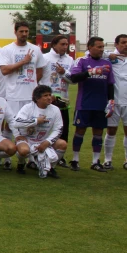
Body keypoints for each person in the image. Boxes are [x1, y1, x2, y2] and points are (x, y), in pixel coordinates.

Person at [0, 21, 47, 173]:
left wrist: (33, 85)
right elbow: (5, 70)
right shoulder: (7, 49)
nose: (24, 34)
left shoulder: (35, 49)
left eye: (26, 31)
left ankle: (27, 159)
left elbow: (39, 71)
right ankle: (6, 158)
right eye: (21, 31)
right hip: (13, 95)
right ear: (15, 32)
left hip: (30, 95)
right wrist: (23, 62)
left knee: (30, 126)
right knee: (11, 125)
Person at [68, 36, 114, 172]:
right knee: (80, 131)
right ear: (90, 47)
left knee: (98, 132)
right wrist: (91, 72)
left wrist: (111, 100)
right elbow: (74, 78)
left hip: (101, 104)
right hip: (84, 104)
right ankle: (75, 160)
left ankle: (95, 161)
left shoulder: (107, 63)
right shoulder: (81, 61)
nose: (101, 49)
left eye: (102, 47)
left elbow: (110, 84)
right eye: (99, 47)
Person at [11, 85, 67, 179]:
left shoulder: (55, 109)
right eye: (45, 95)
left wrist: (47, 142)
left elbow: (59, 129)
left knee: (62, 144)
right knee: (24, 150)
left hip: (43, 139)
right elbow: (17, 122)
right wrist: (36, 121)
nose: (49, 97)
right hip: (27, 139)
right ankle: (21, 163)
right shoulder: (28, 108)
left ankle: (51, 168)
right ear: (37, 98)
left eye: (49, 95)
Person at [39, 35, 74, 167]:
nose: (65, 47)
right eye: (62, 44)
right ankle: (43, 153)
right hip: (48, 99)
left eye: (66, 44)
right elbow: (40, 78)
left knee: (63, 129)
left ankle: (60, 157)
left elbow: (73, 80)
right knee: (47, 127)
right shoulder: (45, 58)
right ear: (54, 45)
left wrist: (64, 72)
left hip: (63, 99)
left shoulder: (70, 60)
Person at [104, 34, 127, 170]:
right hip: (114, 101)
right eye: (123, 42)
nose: (125, 45)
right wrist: (108, 55)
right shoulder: (109, 57)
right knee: (111, 130)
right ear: (116, 44)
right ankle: (107, 160)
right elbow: (91, 53)